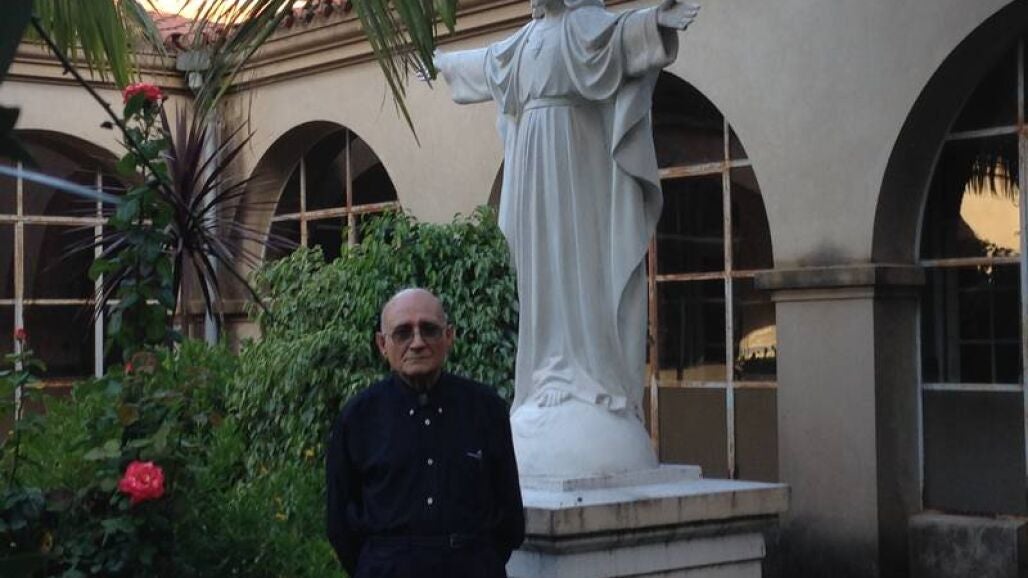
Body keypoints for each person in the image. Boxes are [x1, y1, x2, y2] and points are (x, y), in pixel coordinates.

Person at [432, 0, 700, 477]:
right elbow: (487, 64)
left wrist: (656, 20)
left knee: (579, 264)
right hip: (533, 167)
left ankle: (587, 376)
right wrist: (439, 62)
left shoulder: (584, 26)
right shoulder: (526, 39)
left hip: (578, 164)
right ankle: (546, 373)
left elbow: (622, 37)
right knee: (541, 271)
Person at [326, 288, 525, 578]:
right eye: (403, 333)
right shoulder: (358, 418)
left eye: (429, 330)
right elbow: (339, 522)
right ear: (382, 344)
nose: (417, 343)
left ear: (449, 336)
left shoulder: (486, 409)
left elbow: (509, 517)